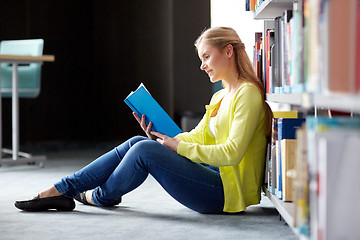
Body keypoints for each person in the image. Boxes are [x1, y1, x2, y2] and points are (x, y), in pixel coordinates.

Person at [15, 27, 273, 214]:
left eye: (206, 57)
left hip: (225, 193)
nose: (202, 66)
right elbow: (196, 135)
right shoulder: (221, 96)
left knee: (143, 150)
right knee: (140, 141)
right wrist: (161, 137)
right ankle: (63, 189)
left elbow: (232, 154)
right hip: (212, 176)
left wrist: (177, 147)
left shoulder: (247, 93)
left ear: (228, 51)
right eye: (201, 60)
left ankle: (97, 197)